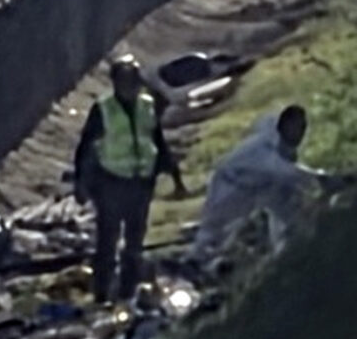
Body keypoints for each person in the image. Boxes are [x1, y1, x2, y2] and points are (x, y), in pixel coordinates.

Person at [73, 55, 185, 304]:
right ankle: (101, 294)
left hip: (141, 184)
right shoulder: (103, 109)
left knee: (135, 242)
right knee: (108, 241)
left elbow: (158, 141)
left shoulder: (147, 106)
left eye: (134, 82)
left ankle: (127, 292)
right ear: (115, 83)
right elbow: (86, 148)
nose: (131, 87)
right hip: (112, 183)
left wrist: (175, 176)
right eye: (126, 82)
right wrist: (81, 183)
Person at [191, 105, 348, 261]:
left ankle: (287, 250)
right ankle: (196, 260)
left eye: (303, 127)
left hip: (262, 187)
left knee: (289, 210)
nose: (300, 133)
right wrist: (324, 179)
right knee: (215, 227)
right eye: (295, 127)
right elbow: (287, 171)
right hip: (231, 185)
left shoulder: (281, 143)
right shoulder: (263, 150)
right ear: (284, 126)